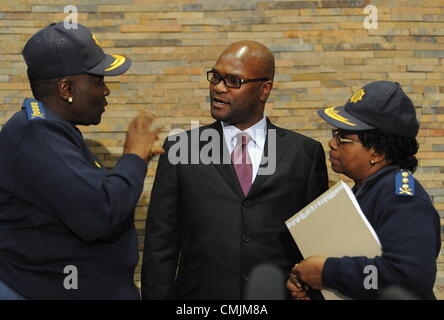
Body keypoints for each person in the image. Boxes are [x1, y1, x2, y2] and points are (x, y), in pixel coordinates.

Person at [141, 40, 329, 300]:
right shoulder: (181, 148)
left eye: (233, 81)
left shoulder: (305, 153)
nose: (218, 87)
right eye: (215, 77)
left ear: (264, 90)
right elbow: (160, 245)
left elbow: (314, 243)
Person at [0, 22, 162, 299]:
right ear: (66, 89)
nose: (106, 91)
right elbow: (101, 214)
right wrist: (133, 157)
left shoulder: (55, 132)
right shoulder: (37, 135)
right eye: (98, 81)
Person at [287, 80, 441, 300]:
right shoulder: (367, 189)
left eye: (343, 137)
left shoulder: (402, 198)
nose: (332, 143)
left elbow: (408, 279)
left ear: (377, 152)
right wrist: (310, 285)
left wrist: (327, 273)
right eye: (335, 133)